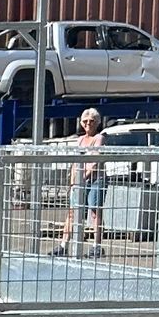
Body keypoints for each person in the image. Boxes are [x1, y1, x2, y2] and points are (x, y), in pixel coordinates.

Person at [56, 106, 106, 256]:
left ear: (97, 122)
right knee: (72, 212)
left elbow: (96, 159)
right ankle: (63, 245)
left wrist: (85, 175)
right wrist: (73, 180)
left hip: (95, 179)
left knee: (94, 211)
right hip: (79, 180)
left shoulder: (99, 138)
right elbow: (75, 162)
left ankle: (96, 245)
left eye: (91, 121)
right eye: (85, 121)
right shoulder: (80, 139)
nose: (88, 123)